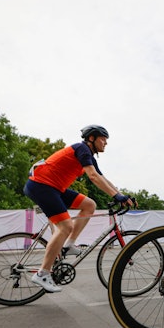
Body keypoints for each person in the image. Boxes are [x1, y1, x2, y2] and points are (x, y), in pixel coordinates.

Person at [24, 125, 135, 292]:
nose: (105, 143)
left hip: (54, 188)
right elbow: (92, 176)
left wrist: (121, 195)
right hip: (42, 186)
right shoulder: (82, 148)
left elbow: (101, 177)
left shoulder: (88, 156)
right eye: (102, 139)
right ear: (91, 138)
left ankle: (68, 245)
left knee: (90, 205)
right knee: (65, 226)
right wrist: (115, 196)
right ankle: (42, 274)